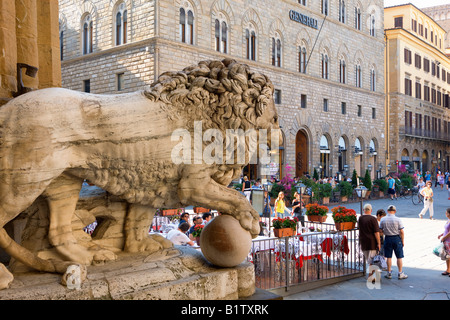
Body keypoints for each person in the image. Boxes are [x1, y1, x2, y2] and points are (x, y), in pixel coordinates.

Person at [379, 205, 408, 280]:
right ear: (395, 211)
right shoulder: (398, 219)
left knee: (388, 256)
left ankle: (389, 273)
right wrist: (402, 241)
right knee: (399, 256)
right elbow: (401, 231)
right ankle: (400, 273)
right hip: (396, 238)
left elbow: (380, 231)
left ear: (388, 211)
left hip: (388, 238)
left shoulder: (383, 219)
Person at [357, 204, 381, 277]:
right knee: (372, 260)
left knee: (369, 259)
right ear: (371, 210)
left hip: (363, 241)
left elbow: (358, 227)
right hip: (372, 242)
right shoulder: (373, 219)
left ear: (364, 210)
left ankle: (372, 274)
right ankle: (370, 276)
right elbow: (376, 232)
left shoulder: (360, 218)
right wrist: (379, 243)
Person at [438, 208, 450, 276]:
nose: (445, 213)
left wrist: (444, 238)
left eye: (446, 213)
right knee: (447, 256)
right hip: (446, 240)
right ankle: (448, 269)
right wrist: (441, 235)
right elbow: (446, 230)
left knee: (449, 256)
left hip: (448, 240)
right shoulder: (448, 220)